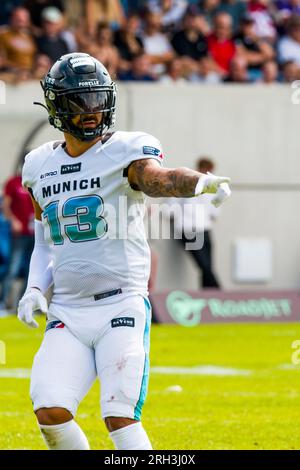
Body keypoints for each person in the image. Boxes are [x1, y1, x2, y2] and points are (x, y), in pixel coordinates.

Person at [17, 52, 231, 451]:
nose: (92, 111)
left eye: (98, 100)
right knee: (50, 411)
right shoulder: (38, 165)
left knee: (119, 416)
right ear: (58, 104)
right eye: (81, 102)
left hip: (121, 304)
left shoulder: (124, 149)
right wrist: (34, 288)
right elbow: (45, 237)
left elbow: (158, 179)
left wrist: (198, 183)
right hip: (68, 308)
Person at [174, 158, 223, 288]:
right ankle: (219, 292)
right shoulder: (184, 182)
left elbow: (215, 211)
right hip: (188, 230)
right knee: (204, 265)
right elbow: (172, 207)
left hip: (204, 229)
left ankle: (207, 294)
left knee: (207, 267)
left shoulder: (211, 186)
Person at [0, 172, 34, 311]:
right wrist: (13, 221)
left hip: (35, 234)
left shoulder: (37, 179)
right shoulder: (13, 182)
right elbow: (5, 205)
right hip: (19, 234)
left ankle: (23, 306)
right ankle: (3, 303)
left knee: (31, 272)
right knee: (13, 268)